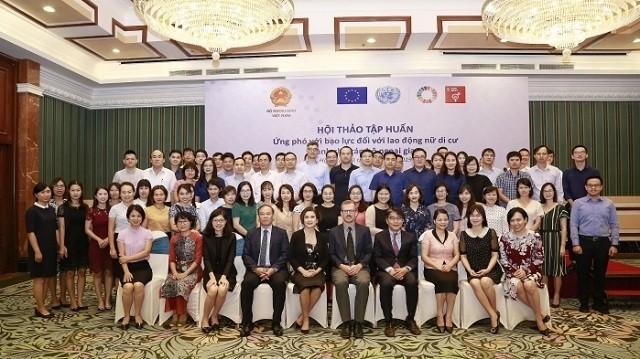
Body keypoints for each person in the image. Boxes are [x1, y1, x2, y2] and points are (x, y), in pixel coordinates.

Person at [570, 175, 619, 314]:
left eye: (596, 185)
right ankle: (584, 302)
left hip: (603, 243)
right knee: (583, 274)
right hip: (583, 242)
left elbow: (614, 225)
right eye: (590, 185)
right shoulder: (578, 203)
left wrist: (614, 244)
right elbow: (573, 225)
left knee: (600, 274)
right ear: (585, 187)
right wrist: (575, 243)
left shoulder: (609, 204)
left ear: (601, 187)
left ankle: (598, 302)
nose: (593, 187)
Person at [240, 204, 290, 337]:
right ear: (258, 217)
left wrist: (273, 269)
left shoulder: (281, 233)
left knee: (280, 283)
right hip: (256, 269)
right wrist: (256, 269)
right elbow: (246, 255)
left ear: (273, 216)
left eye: (268, 213)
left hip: (276, 269)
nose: (265, 216)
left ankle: (276, 322)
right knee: (246, 284)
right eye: (262, 214)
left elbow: (285, 254)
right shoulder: (251, 233)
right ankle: (247, 322)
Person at [499, 207, 551, 335]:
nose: (516, 223)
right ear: (509, 223)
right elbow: (503, 260)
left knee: (528, 284)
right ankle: (540, 315)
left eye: (519, 220)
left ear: (525, 220)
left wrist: (526, 271)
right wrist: (516, 272)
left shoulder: (535, 236)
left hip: (532, 271)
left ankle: (538, 319)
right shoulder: (504, 238)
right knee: (516, 284)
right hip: (512, 273)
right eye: (512, 221)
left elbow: (539, 258)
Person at [328, 200, 373, 339]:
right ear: (341, 213)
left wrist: (359, 265)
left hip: (360, 266)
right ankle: (346, 322)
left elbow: (369, 252)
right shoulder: (334, 232)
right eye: (345, 211)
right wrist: (342, 266)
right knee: (340, 282)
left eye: (351, 211)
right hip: (340, 267)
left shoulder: (364, 230)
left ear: (356, 212)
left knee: (363, 282)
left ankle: (358, 323)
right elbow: (331, 254)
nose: (348, 213)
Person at [374, 207, 421, 337]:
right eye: (392, 218)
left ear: (403, 221)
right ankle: (388, 321)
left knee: (412, 282)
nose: (396, 221)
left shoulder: (410, 237)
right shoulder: (379, 237)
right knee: (386, 284)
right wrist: (389, 270)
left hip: (404, 270)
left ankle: (410, 319)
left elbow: (413, 259)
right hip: (386, 271)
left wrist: (406, 269)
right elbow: (377, 257)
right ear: (387, 221)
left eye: (399, 218)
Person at [458, 204, 503, 333]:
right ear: (468, 217)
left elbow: (495, 255)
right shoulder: (464, 234)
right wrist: (469, 270)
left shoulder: (490, 232)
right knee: (476, 283)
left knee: (485, 281)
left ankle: (493, 315)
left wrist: (488, 269)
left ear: (483, 217)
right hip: (473, 270)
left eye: (478, 215)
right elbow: (463, 256)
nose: (475, 218)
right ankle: (493, 314)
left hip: (491, 269)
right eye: (472, 215)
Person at [289, 207, 330, 334]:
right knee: (305, 288)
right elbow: (291, 257)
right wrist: (303, 271)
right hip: (300, 271)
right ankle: (306, 319)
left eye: (312, 217)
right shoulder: (296, 235)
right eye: (306, 217)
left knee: (317, 287)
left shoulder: (322, 237)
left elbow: (326, 258)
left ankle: (302, 316)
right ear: (303, 219)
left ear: (317, 220)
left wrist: (317, 271)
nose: (309, 220)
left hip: (317, 271)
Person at [420, 209, 460, 333]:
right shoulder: (428, 235)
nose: (443, 222)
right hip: (432, 268)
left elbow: (457, 255)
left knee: (452, 280)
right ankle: (439, 315)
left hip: (450, 267)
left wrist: (450, 265)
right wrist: (437, 266)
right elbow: (424, 256)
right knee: (442, 279)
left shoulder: (453, 235)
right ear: (434, 221)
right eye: (440, 220)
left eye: (445, 220)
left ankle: (448, 316)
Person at [160, 212, 203, 327]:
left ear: (191, 223)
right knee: (170, 282)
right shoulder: (174, 239)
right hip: (177, 270)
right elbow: (172, 259)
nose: (182, 224)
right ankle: (175, 313)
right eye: (179, 221)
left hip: (193, 271)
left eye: (185, 221)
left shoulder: (197, 238)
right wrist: (174, 272)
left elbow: (198, 260)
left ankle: (182, 314)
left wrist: (185, 274)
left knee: (182, 283)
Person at [200, 209, 237, 334]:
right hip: (211, 272)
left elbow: (230, 259)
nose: (218, 223)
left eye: (221, 220)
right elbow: (206, 259)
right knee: (213, 289)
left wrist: (224, 276)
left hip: (227, 272)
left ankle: (215, 315)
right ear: (211, 222)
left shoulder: (231, 236)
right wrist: (211, 277)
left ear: (226, 221)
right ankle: (205, 318)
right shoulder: (205, 236)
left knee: (222, 289)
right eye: (215, 220)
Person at [116, 204, 153, 330]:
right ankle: (126, 316)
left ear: (142, 218)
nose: (136, 218)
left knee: (138, 285)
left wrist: (128, 258)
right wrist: (126, 271)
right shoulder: (122, 234)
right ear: (128, 217)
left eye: (138, 216)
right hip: (126, 267)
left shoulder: (147, 233)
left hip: (143, 267)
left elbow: (146, 252)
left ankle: (137, 315)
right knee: (127, 286)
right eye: (133, 216)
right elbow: (122, 257)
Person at [26, 183, 58, 318]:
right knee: (39, 279)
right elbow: (30, 232)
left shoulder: (51, 209)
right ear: (36, 195)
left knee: (47, 278)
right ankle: (40, 307)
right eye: (43, 192)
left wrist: (59, 246)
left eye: (48, 192)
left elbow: (55, 229)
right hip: (38, 249)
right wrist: (37, 251)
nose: (46, 195)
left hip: (51, 249)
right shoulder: (32, 211)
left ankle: (42, 305)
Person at [58, 180, 89, 311]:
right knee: (70, 272)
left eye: (78, 190)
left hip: (83, 243)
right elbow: (62, 228)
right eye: (72, 190)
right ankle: (72, 301)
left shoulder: (86, 207)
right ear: (68, 191)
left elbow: (88, 227)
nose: (75, 193)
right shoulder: (62, 208)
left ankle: (80, 300)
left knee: (82, 271)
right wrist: (61, 245)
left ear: (81, 192)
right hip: (68, 243)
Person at [539, 183, 569, 308]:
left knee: (557, 270)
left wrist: (563, 246)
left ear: (554, 192)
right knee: (544, 270)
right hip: (541, 240)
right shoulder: (539, 207)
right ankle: (545, 295)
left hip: (556, 239)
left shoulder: (560, 208)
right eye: (545, 191)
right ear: (542, 193)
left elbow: (564, 228)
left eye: (550, 190)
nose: (548, 193)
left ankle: (556, 295)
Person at [85, 186, 113, 311]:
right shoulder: (91, 211)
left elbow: (115, 227)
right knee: (97, 273)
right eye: (100, 194)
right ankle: (100, 300)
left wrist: (108, 239)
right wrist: (99, 239)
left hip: (109, 244)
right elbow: (86, 229)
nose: (103, 196)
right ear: (96, 196)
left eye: (105, 193)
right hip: (96, 245)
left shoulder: (112, 210)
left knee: (108, 272)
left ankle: (107, 299)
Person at [108, 182, 136, 283]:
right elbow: (110, 229)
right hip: (118, 239)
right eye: (123, 192)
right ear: (120, 194)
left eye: (129, 192)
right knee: (118, 270)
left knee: (134, 268)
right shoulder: (115, 208)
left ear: (134, 193)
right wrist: (112, 247)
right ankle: (119, 297)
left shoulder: (139, 207)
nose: (126, 194)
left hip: (135, 240)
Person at [49, 178, 68, 309]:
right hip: (50, 240)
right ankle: (54, 297)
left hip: (67, 240)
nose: (59, 188)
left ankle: (63, 296)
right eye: (56, 186)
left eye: (61, 186)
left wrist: (63, 243)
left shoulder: (69, 203)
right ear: (52, 188)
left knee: (64, 270)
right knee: (52, 271)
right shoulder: (48, 203)